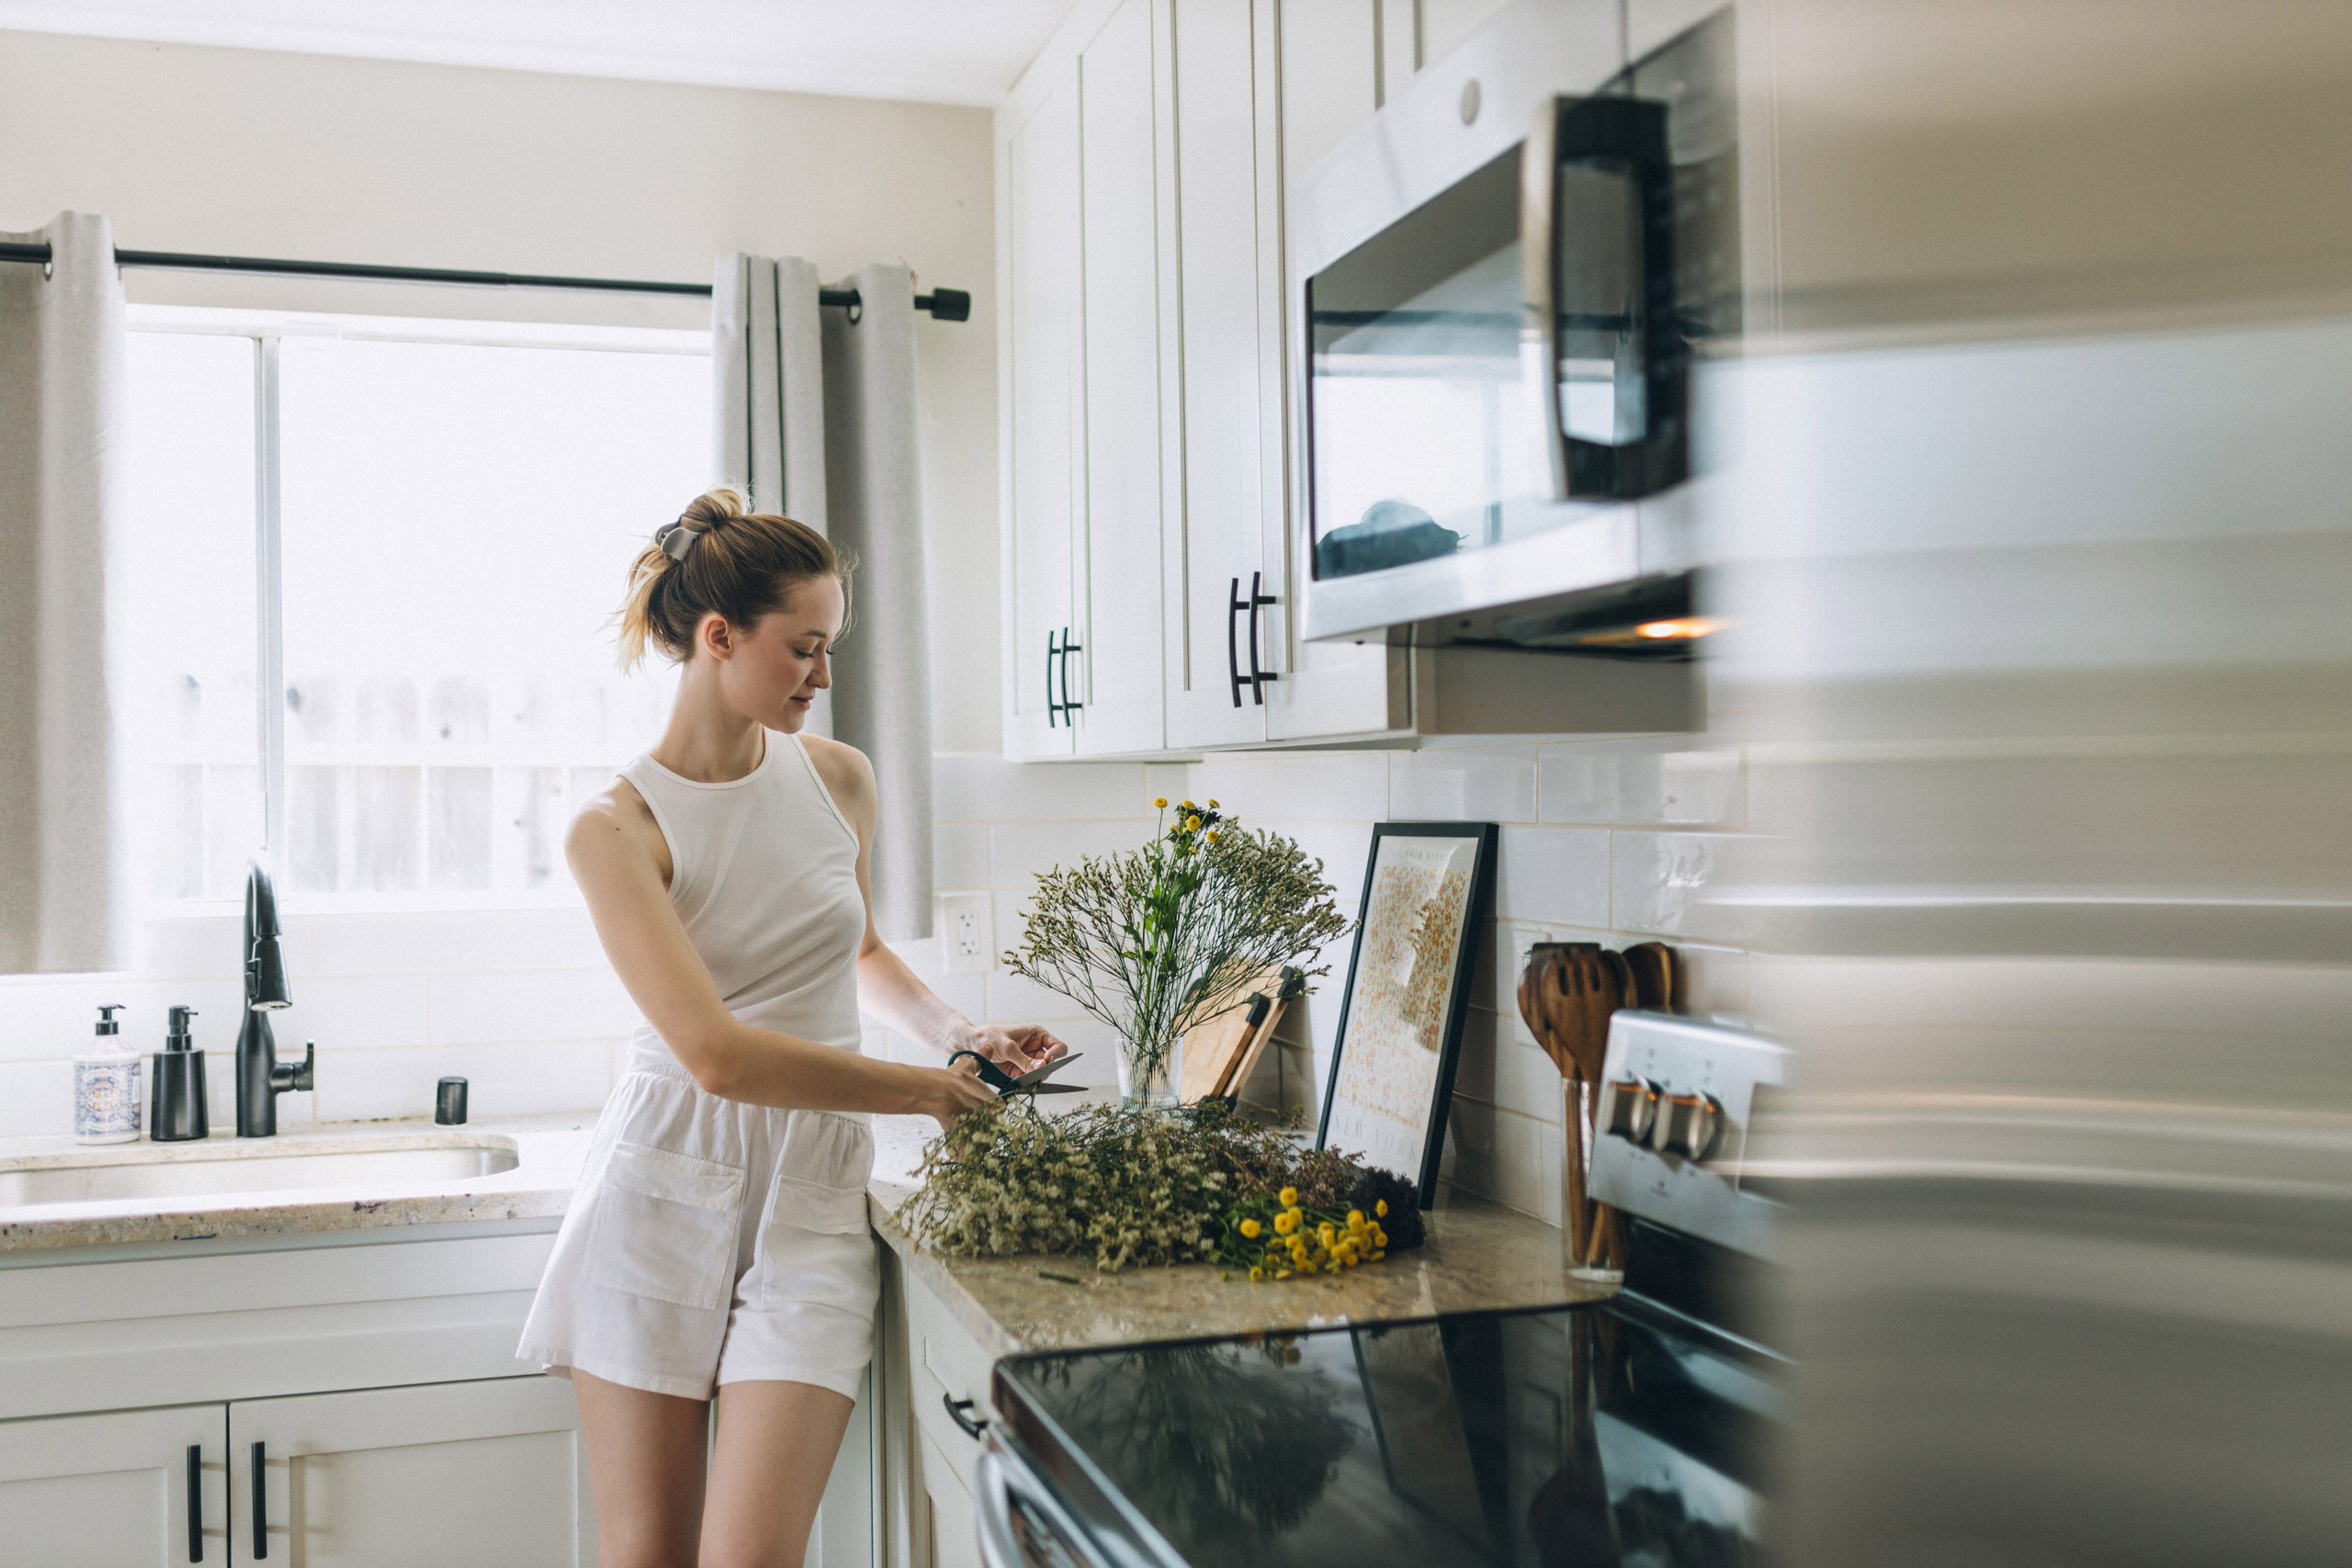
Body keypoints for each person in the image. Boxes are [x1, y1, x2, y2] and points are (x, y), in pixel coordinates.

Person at [517, 488, 1063, 1567]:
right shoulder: (613, 828)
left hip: (813, 1191)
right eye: (803, 649)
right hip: (666, 1177)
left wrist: (959, 1035)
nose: (822, 676)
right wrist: (920, 1092)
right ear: (718, 638)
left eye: (830, 649)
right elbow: (715, 1057)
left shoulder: (837, 777)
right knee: (650, 1557)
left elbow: (854, 952)